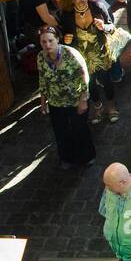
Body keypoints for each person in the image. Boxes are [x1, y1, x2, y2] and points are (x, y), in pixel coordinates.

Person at [36, 24, 95, 169]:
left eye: (50, 40)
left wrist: (83, 100)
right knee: (61, 131)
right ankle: (67, 158)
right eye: (44, 42)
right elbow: (42, 79)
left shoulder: (70, 54)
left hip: (75, 100)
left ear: (57, 39)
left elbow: (84, 77)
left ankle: (87, 157)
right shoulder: (40, 57)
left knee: (79, 129)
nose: (47, 44)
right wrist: (43, 102)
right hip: (56, 102)